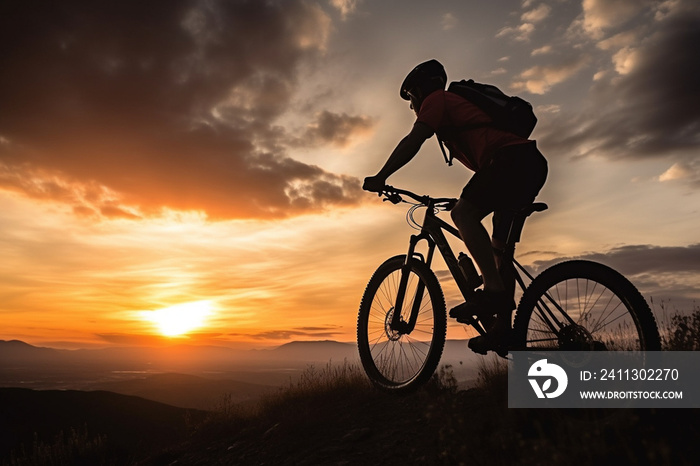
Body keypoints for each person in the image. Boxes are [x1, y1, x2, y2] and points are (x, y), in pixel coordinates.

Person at [363, 59, 548, 355]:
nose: (413, 107)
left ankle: (493, 292)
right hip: (528, 165)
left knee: (462, 214)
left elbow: (414, 139)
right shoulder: (456, 108)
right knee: (499, 252)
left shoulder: (438, 100)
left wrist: (381, 176)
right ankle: (502, 330)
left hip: (510, 162)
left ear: (422, 91)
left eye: (411, 98)